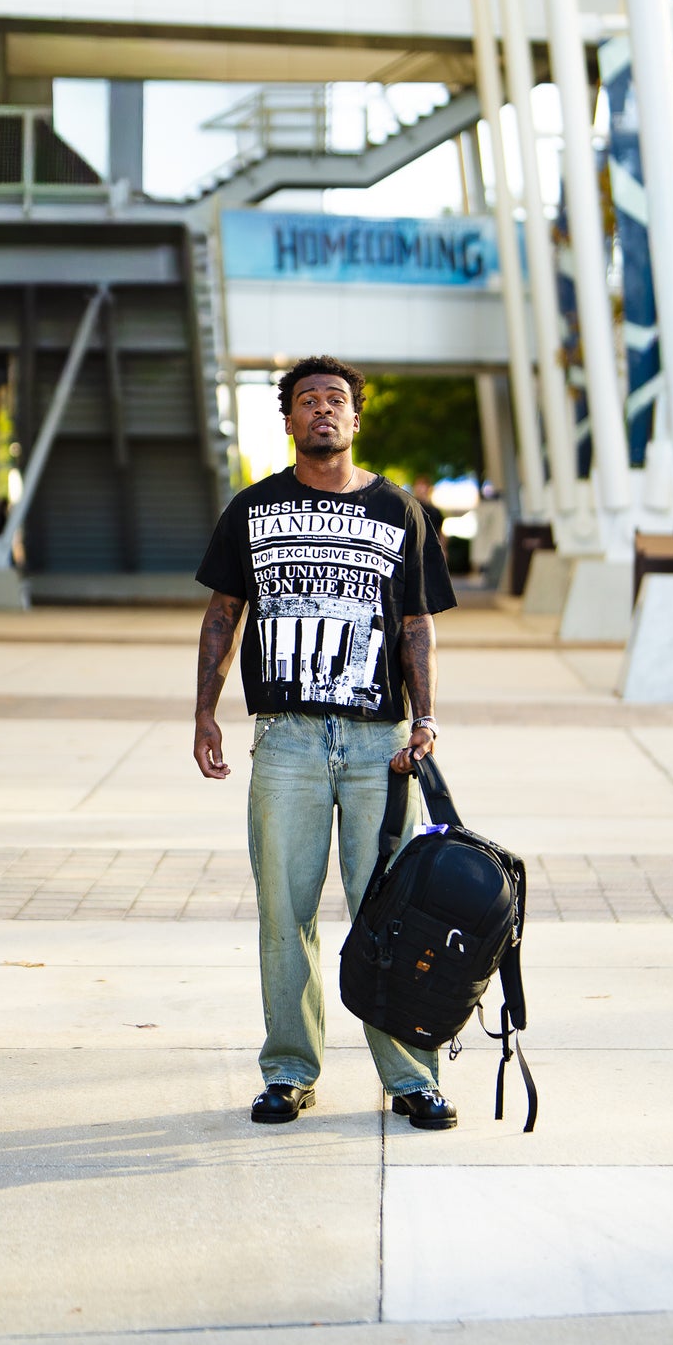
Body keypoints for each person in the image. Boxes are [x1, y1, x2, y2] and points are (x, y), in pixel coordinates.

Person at [193, 356, 460, 1130]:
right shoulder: (250, 510)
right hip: (287, 741)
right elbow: (220, 617)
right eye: (306, 400)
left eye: (334, 400)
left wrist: (426, 720)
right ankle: (289, 1072)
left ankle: (411, 1077)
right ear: (287, 420)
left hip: (380, 742)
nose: (321, 410)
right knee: (286, 914)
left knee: (392, 914)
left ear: (354, 417)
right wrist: (205, 713)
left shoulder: (399, 511)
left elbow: (417, 626)